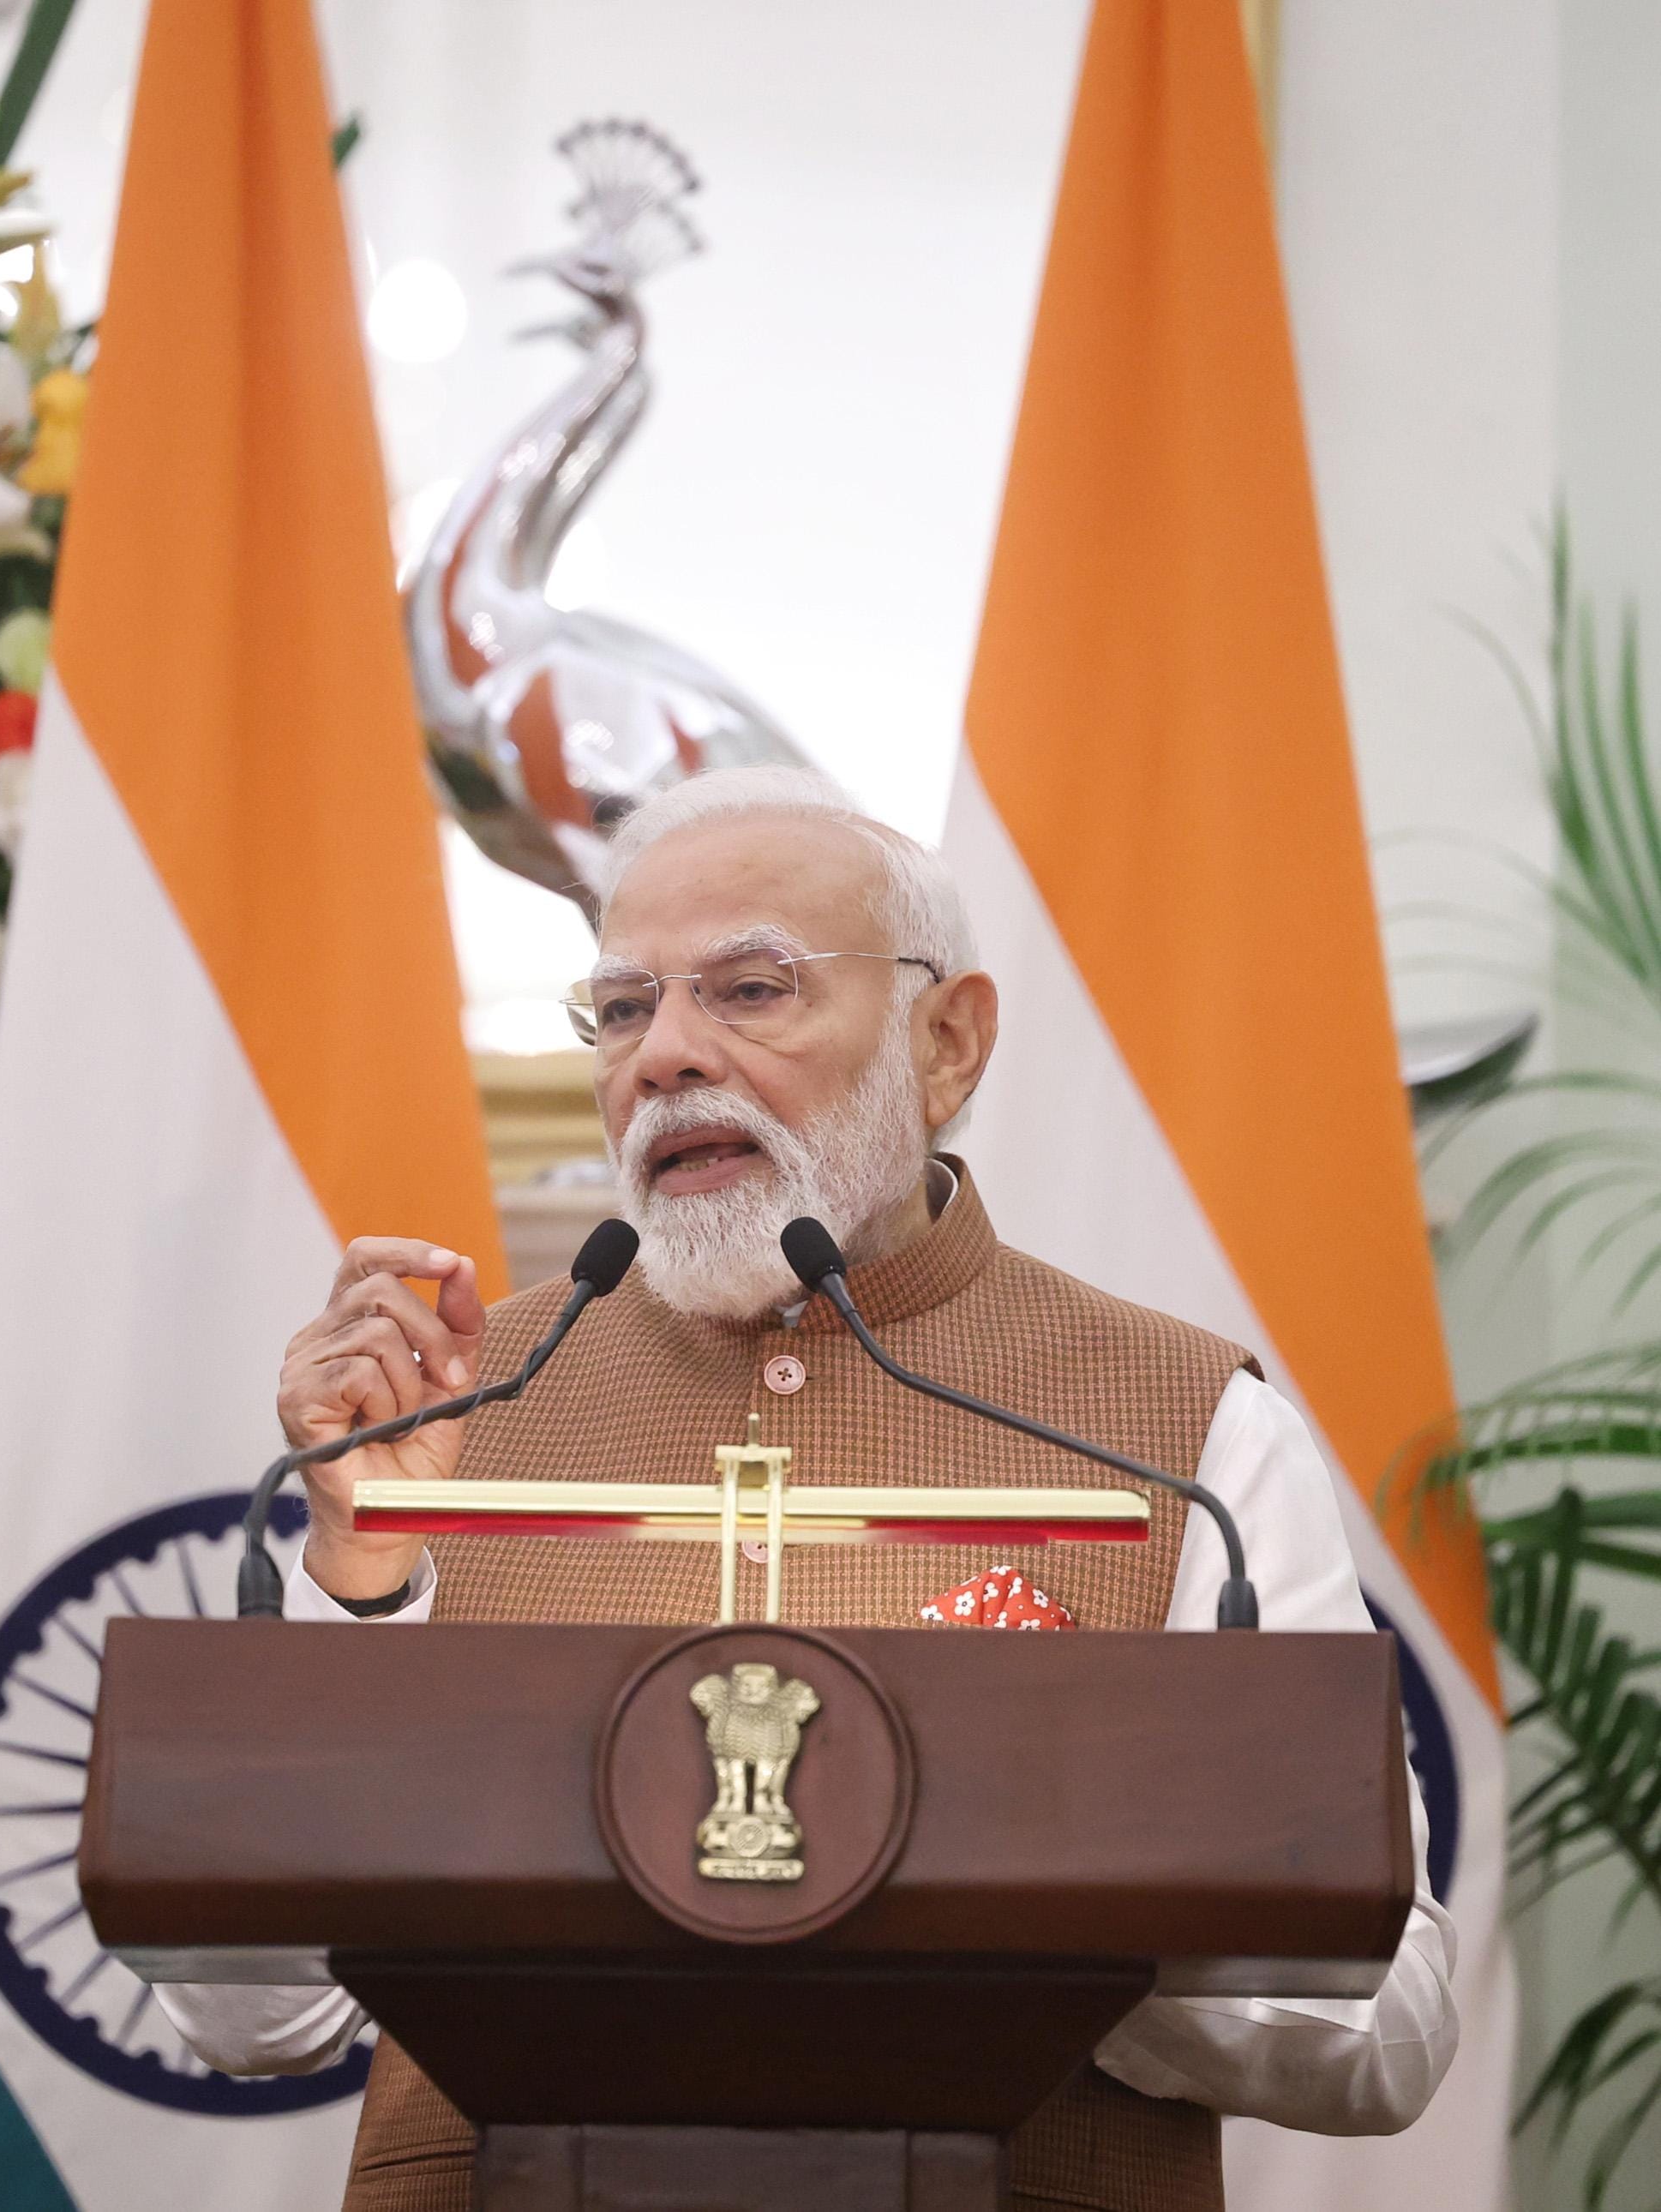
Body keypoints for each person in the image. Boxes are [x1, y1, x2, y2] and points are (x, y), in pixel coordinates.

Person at [159, 765, 1458, 2212]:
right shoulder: (456, 1403)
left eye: (751, 988)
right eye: (624, 1007)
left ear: (947, 1041)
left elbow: (1386, 2028)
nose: (664, 1056)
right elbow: (248, 2019)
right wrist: (363, 1577)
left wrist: (1029, 1881)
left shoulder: (1184, 1426)